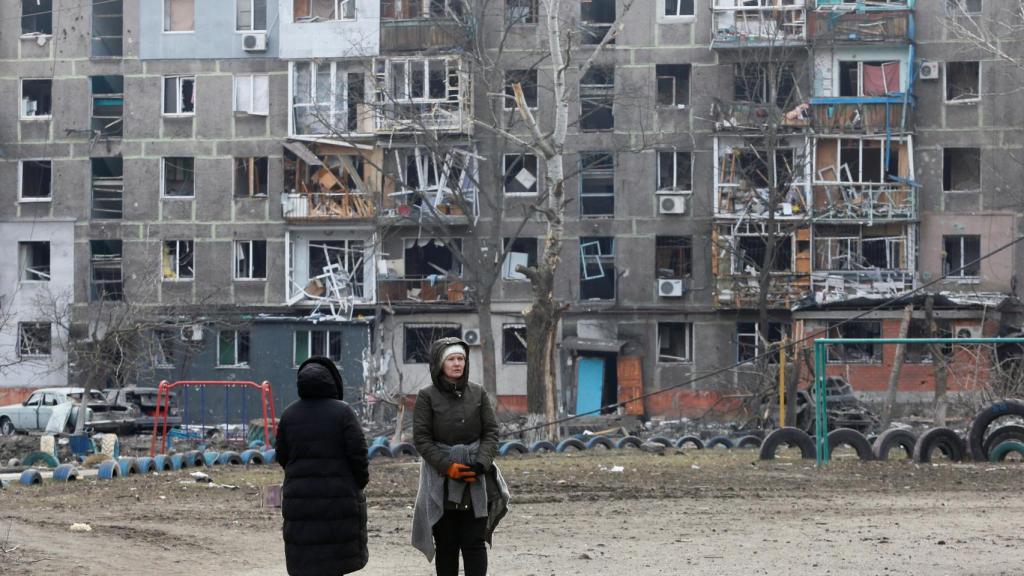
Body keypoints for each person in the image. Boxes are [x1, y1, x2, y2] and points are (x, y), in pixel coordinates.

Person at [411, 337, 509, 576]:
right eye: (451, 359)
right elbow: (422, 439)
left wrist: (481, 464)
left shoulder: (478, 392)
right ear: (439, 364)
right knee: (446, 545)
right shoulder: (426, 396)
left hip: (476, 479)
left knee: (474, 544)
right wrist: (448, 467)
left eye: (461, 359)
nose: (457, 364)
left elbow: (491, 432)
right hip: (441, 481)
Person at [276, 356, 369, 576]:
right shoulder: (343, 412)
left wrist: (299, 478)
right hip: (339, 500)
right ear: (333, 382)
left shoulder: (289, 414)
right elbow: (359, 455)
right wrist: (357, 484)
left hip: (299, 501)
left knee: (306, 561)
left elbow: (282, 456)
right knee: (335, 562)